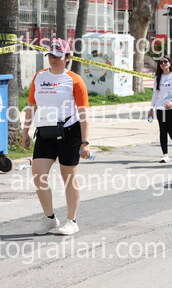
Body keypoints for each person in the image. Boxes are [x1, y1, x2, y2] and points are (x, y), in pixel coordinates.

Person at [22, 39, 91, 235]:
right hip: (45, 131)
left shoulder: (74, 80)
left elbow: (83, 112)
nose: (53, 59)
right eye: (51, 55)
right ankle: (50, 218)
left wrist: (85, 142)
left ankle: (72, 221)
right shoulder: (39, 77)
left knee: (68, 176)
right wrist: (25, 131)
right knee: (38, 174)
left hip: (69, 132)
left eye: (58, 56)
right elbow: (31, 106)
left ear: (67, 57)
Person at [148, 56, 172, 163]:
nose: (163, 63)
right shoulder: (158, 77)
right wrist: (151, 108)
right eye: (161, 62)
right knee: (163, 130)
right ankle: (165, 154)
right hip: (161, 107)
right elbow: (155, 94)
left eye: (165, 61)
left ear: (169, 63)